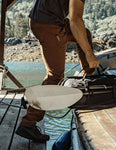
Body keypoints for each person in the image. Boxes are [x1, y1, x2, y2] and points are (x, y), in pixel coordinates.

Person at [16, 0, 100, 142]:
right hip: (48, 24)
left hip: (46, 19)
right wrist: (89, 54)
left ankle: (88, 79)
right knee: (55, 76)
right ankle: (28, 123)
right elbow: (75, 20)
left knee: (85, 34)